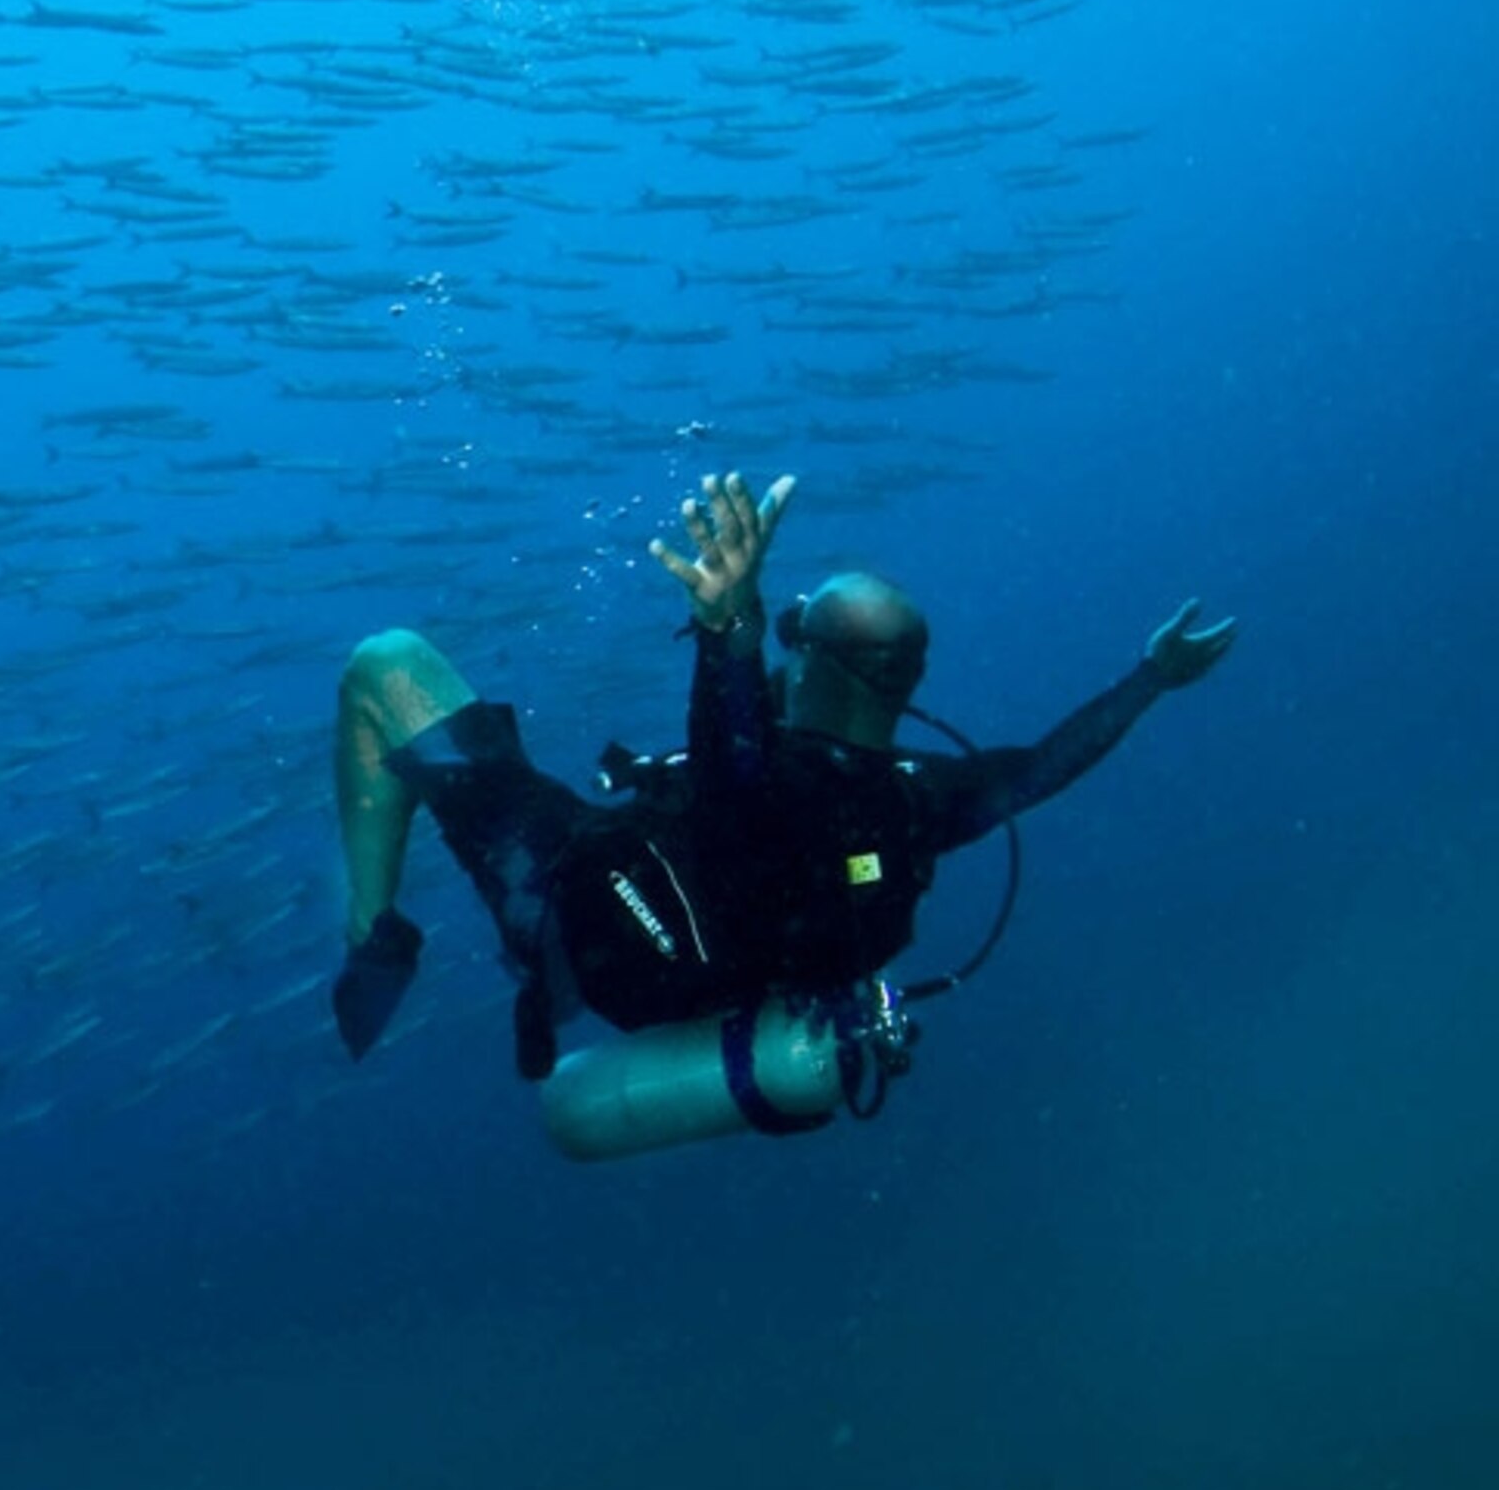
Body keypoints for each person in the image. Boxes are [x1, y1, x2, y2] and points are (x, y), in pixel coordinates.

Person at [328, 470, 1236, 1150]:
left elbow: (736, 769)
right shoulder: (921, 800)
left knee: (385, 661)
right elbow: (1043, 767)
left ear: (809, 659)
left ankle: (376, 934)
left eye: (802, 624)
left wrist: (733, 626)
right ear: (908, 680)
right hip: (733, 983)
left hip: (590, 927)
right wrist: (1154, 676)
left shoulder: (767, 785)